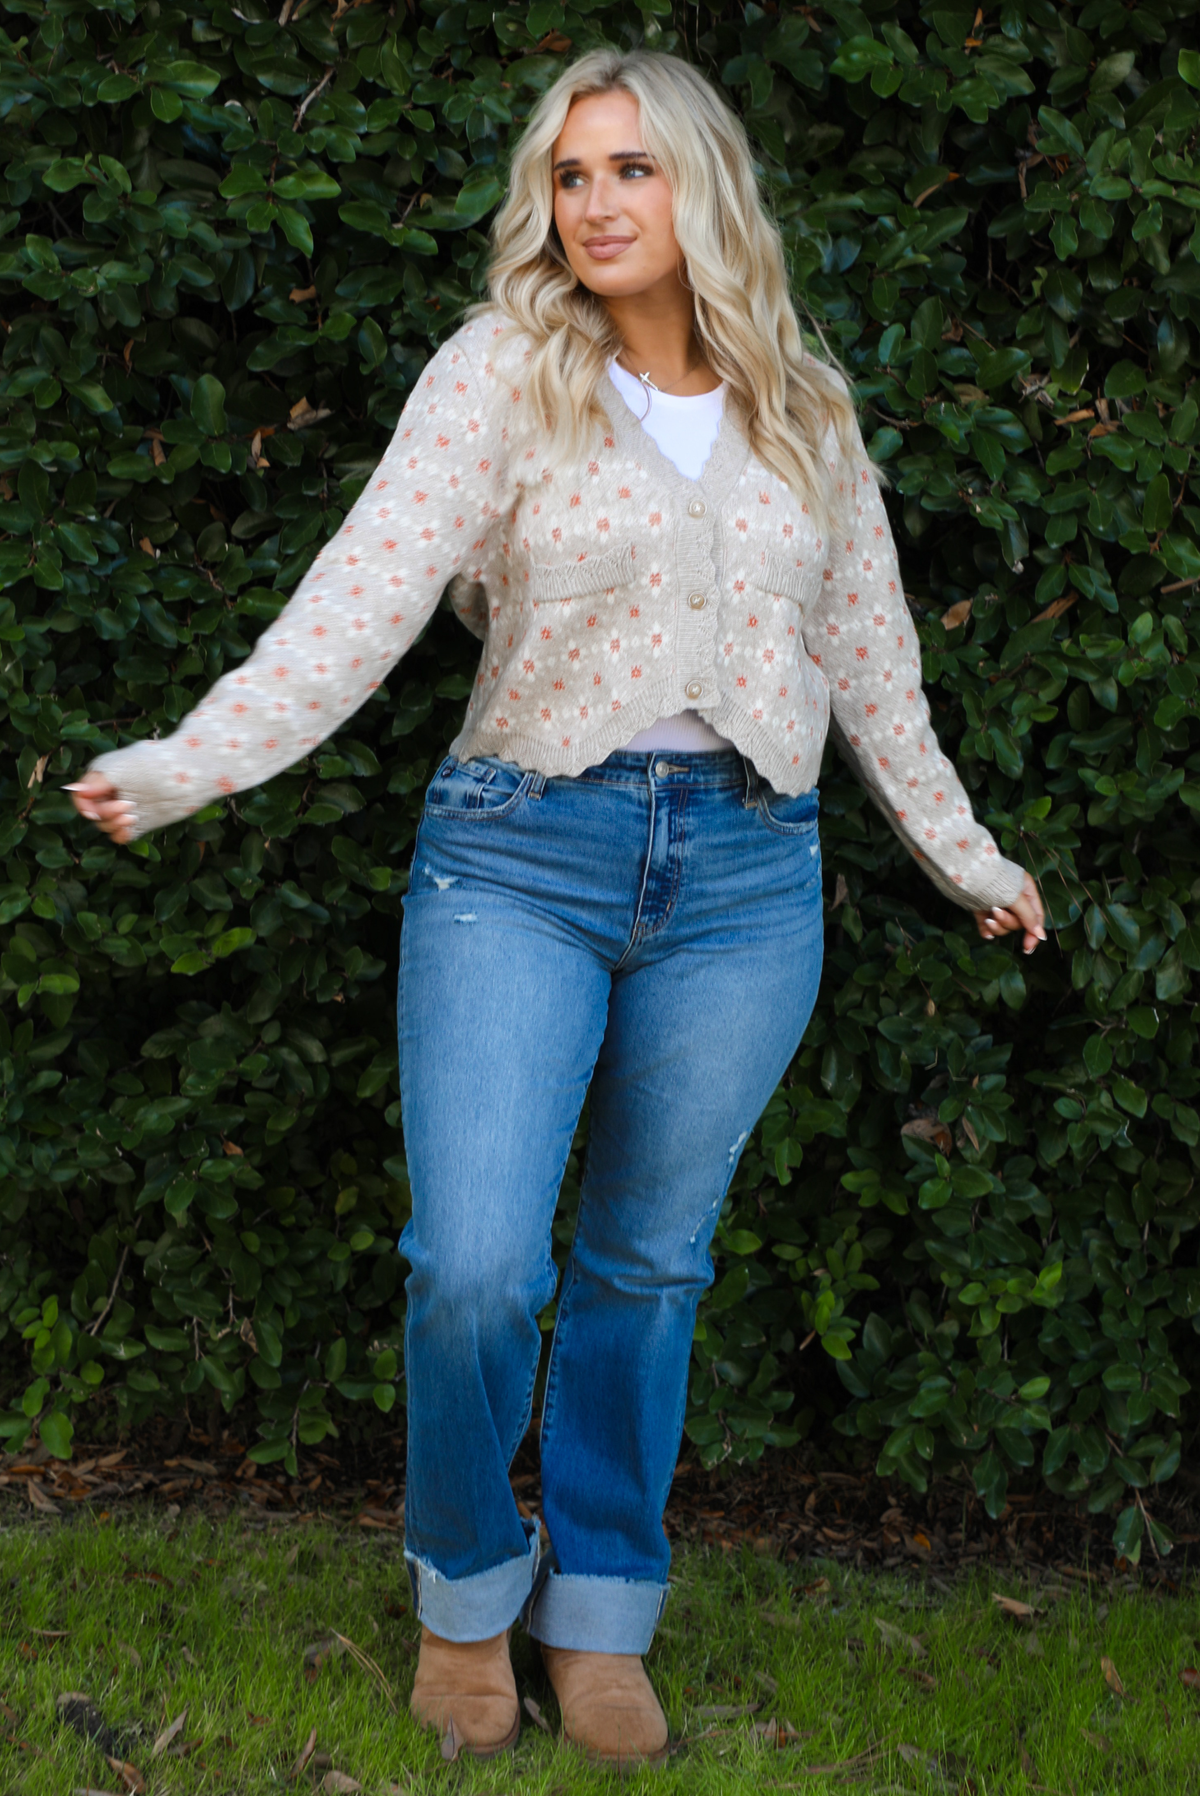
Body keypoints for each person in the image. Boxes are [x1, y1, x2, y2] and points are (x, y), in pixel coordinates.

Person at [70, 46, 1045, 1772]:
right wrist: (189, 762)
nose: (596, 204)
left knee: (648, 1268)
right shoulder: (500, 376)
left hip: (749, 878)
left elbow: (869, 660)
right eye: (573, 174)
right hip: (519, 855)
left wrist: (968, 856)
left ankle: (597, 1615)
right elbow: (357, 598)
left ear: (704, 190)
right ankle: (464, 1596)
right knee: (472, 1268)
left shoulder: (805, 408)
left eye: (633, 171)